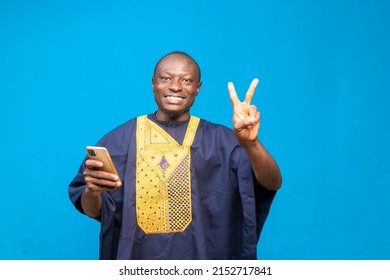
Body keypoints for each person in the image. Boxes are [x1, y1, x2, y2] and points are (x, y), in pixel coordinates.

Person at [69, 51, 282, 260]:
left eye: (187, 80)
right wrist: (92, 192)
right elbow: (91, 209)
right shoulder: (119, 141)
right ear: (153, 83)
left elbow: (272, 183)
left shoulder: (223, 141)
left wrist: (251, 144)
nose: (176, 86)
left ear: (197, 88)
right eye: (166, 78)